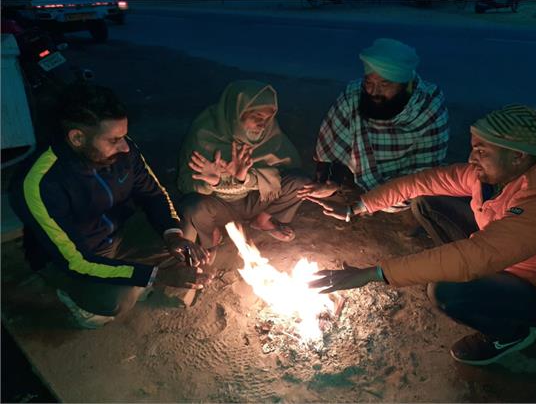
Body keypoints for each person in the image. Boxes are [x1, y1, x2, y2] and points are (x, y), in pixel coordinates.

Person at [306, 105, 536, 366]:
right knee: (426, 202)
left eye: (483, 151)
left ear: (518, 156)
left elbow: (475, 256)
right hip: (512, 257)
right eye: (474, 147)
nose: (472, 157)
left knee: (447, 290)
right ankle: (488, 293)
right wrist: (358, 206)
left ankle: (512, 334)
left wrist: (374, 273)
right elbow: (421, 182)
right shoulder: (502, 172)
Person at [11, 83, 212, 329]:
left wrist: (173, 236)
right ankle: (77, 295)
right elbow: (77, 261)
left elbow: (154, 195)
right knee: (114, 301)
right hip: (75, 259)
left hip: (120, 234)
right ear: (77, 138)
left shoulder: (125, 153)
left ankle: (137, 275)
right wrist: (157, 276)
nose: (125, 146)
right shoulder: (40, 182)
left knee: (185, 234)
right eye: (114, 139)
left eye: (124, 136)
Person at [299, 38, 449, 206]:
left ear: (405, 85)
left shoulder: (429, 104)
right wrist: (329, 181)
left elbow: (426, 164)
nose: (374, 92)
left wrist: (390, 195)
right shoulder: (355, 93)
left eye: (385, 84)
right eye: (369, 82)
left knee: (419, 199)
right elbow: (334, 138)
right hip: (361, 166)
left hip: (405, 176)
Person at [177, 80, 309, 254]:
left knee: (300, 182)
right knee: (193, 207)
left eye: (268, 118)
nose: (263, 125)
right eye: (257, 117)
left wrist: (244, 178)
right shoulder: (204, 133)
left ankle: (263, 220)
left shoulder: (270, 133)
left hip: (255, 201)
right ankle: (210, 238)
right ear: (236, 112)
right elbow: (185, 184)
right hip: (219, 208)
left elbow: (284, 172)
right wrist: (213, 182)